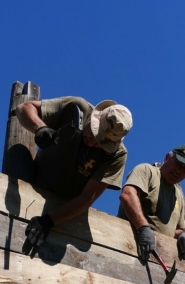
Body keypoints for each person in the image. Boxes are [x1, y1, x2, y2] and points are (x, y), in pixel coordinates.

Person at [16, 95, 133, 246]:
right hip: (33, 180)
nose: (92, 143)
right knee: (17, 152)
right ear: (94, 119)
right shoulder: (76, 108)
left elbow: (87, 197)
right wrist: (40, 128)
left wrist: (49, 221)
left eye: (101, 143)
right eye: (94, 134)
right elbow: (24, 108)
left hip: (63, 204)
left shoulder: (117, 155)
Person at [118, 145, 185, 263]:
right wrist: (143, 228)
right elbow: (127, 195)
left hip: (159, 259)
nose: (179, 170)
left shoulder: (178, 196)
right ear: (167, 157)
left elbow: (176, 229)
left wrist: (182, 235)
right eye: (178, 163)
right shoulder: (147, 171)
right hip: (128, 247)